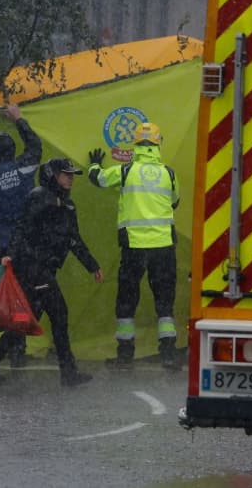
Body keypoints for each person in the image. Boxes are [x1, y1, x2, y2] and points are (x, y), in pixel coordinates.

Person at [0, 158, 103, 386]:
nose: (70, 179)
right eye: (65, 174)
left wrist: (92, 265)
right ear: (52, 174)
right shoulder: (39, 197)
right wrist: (11, 253)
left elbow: (74, 239)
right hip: (33, 267)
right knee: (59, 314)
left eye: (72, 175)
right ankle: (68, 373)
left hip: (45, 268)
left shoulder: (68, 205)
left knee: (30, 319)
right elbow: (22, 227)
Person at [87, 122, 181, 370]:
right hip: (164, 247)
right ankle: (169, 354)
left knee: (127, 300)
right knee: (164, 301)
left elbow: (98, 179)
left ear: (136, 144)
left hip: (134, 248)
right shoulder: (169, 174)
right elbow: (175, 201)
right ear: (159, 143)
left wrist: (95, 164)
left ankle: (125, 354)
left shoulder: (126, 171)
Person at [0, 103, 42, 369]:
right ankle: (17, 347)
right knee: (20, 296)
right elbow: (35, 146)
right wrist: (19, 119)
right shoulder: (25, 168)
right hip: (22, 242)